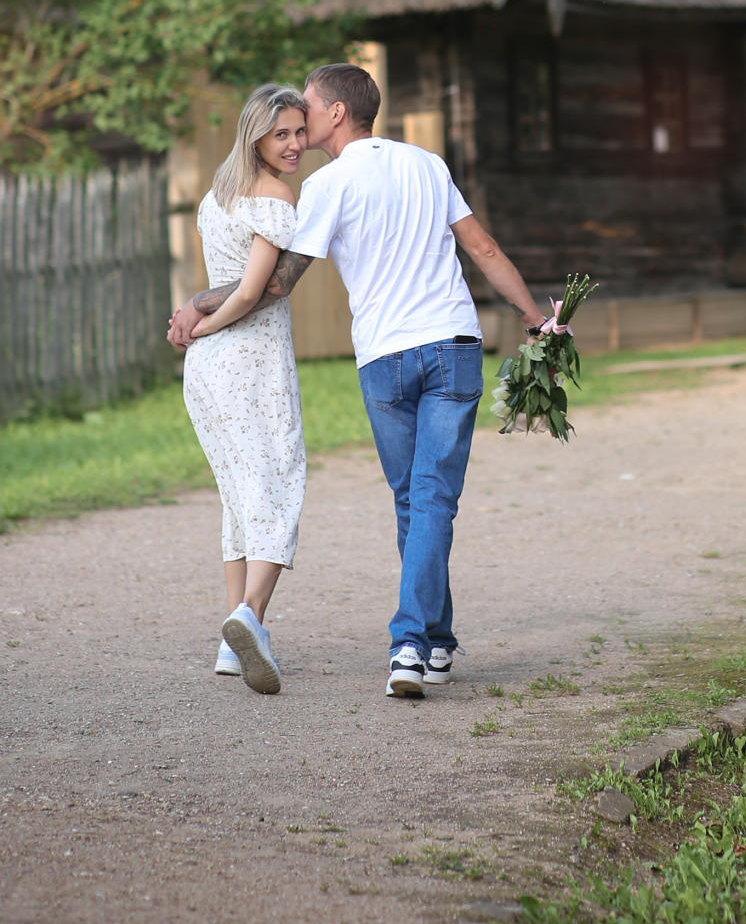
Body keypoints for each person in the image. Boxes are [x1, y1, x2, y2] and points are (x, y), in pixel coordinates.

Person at [169, 62, 552, 700]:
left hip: (386, 359)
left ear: (337, 113)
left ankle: (415, 643)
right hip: (455, 345)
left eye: (309, 111)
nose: (301, 124)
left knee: (416, 499)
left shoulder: (326, 185)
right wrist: (536, 320)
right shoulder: (428, 163)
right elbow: (482, 251)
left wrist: (198, 304)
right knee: (429, 501)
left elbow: (275, 284)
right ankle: (430, 643)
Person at [176, 83, 309, 698]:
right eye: (281, 133)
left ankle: (232, 648)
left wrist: (198, 328)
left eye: (300, 131)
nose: (295, 144)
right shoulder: (275, 196)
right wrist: (207, 321)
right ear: (255, 135)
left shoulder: (216, 196)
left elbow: (222, 280)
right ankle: (251, 616)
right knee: (277, 486)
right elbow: (255, 291)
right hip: (248, 361)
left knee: (239, 494)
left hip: (205, 368)